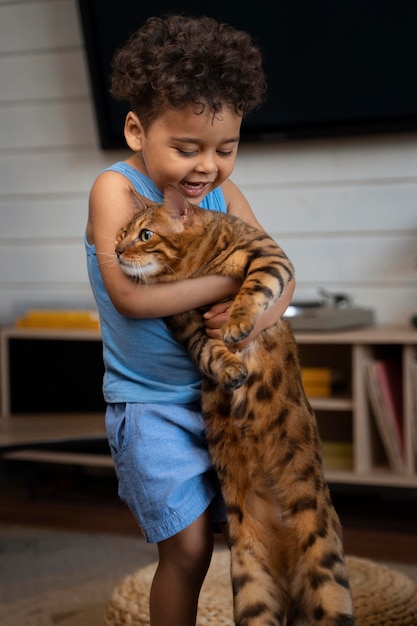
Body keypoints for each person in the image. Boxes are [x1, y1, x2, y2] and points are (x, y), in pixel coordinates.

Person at [85, 14, 295, 626]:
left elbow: (279, 273)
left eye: (225, 148)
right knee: (189, 548)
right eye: (186, 148)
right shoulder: (115, 191)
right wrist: (233, 281)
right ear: (135, 130)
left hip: (225, 397)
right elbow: (130, 297)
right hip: (149, 404)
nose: (207, 166)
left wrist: (252, 317)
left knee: (259, 538)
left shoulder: (224, 197)